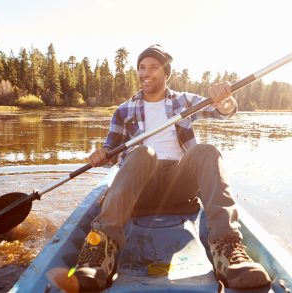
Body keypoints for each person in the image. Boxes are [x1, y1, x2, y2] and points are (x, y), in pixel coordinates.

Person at [73, 44, 271, 290]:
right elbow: (111, 153)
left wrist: (225, 100)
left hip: (178, 186)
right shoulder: (123, 111)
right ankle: (99, 250)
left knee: (206, 151)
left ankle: (227, 249)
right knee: (144, 153)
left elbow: (223, 112)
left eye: (153, 67)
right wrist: (101, 154)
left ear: (166, 72)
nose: (146, 73)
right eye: (142, 67)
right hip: (140, 188)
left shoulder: (185, 101)